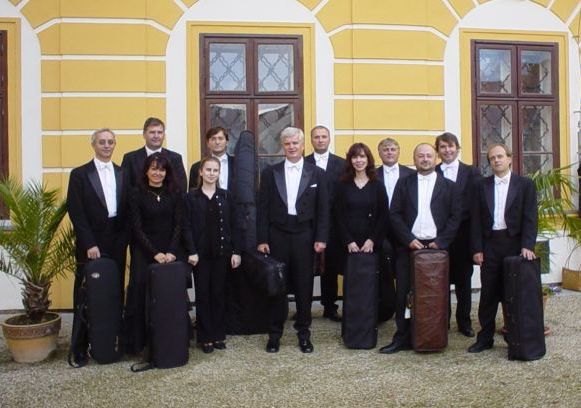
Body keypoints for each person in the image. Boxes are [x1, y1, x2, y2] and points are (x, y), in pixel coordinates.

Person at [379, 143, 461, 354]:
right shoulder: (403, 184)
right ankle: (403, 336)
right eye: (420, 156)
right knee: (404, 294)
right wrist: (408, 239)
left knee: (437, 294)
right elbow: (394, 214)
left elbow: (455, 217)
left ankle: (435, 335)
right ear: (414, 159)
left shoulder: (450, 186)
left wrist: (442, 241)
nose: (424, 159)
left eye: (428, 156)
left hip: (437, 248)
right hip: (409, 247)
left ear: (436, 158)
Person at [257, 127, 329, 353]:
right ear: (283, 146)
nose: (291, 147)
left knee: (304, 286)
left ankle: (304, 334)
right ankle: (275, 334)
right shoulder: (270, 172)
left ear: (302, 145)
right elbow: (263, 209)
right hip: (277, 234)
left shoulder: (316, 173)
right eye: (287, 143)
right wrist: (262, 239)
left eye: (295, 143)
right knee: (277, 286)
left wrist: (321, 238)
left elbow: (323, 209)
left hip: (305, 235)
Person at [67, 128, 129, 363]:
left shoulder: (123, 173)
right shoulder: (80, 174)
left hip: (116, 241)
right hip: (90, 241)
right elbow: (76, 212)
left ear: (115, 145)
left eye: (110, 142)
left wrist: (123, 241)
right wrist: (89, 243)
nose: (106, 145)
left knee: (114, 294)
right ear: (93, 144)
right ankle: (80, 347)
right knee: (84, 296)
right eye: (101, 142)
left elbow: (126, 210)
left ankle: (110, 343)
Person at [468, 143, 537, 353]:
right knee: (488, 293)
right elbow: (476, 220)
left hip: (514, 244)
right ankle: (485, 338)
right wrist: (477, 249)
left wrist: (527, 245)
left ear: (509, 158)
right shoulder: (481, 185)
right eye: (492, 158)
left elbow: (530, 218)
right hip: (490, 244)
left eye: (499, 156)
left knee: (513, 293)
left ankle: (514, 338)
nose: (496, 161)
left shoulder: (525, 185)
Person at [124, 153, 187, 355]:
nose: (157, 173)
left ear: (166, 172)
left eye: (161, 169)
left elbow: (179, 224)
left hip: (170, 252)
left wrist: (170, 251)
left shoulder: (175, 193)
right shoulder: (136, 193)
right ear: (146, 171)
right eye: (153, 169)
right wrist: (155, 253)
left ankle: (168, 340)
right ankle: (141, 343)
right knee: (142, 295)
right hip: (144, 252)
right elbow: (136, 228)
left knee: (167, 296)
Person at [184, 157, 242, 354]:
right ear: (200, 172)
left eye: (215, 170)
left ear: (219, 174)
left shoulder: (226, 197)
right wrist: (191, 251)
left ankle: (218, 334)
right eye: (208, 169)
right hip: (200, 255)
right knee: (203, 295)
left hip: (222, 253)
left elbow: (234, 225)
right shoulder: (191, 198)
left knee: (218, 294)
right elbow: (186, 227)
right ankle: (205, 336)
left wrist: (236, 251)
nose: (211, 173)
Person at [435, 132, 481, 337]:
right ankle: (441, 321)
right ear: (438, 151)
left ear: (457, 148)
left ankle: (464, 322)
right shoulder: (432, 171)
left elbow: (476, 207)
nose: (447, 150)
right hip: (439, 236)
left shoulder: (472, 173)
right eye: (443, 147)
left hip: (463, 235)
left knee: (464, 281)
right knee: (439, 280)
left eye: (450, 146)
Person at [305, 125, 345, 322]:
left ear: (329, 139)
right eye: (316, 137)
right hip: (309, 223)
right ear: (311, 141)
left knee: (331, 266)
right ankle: (304, 306)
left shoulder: (342, 164)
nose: (320, 140)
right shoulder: (303, 163)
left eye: (323, 137)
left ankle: (330, 306)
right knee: (305, 266)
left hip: (335, 225)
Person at [376, 138, 415, 321]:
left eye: (392, 149)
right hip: (381, 229)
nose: (389, 152)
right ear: (380, 153)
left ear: (399, 152)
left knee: (404, 272)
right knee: (383, 269)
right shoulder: (372, 175)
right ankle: (385, 308)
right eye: (385, 150)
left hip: (404, 230)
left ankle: (405, 311)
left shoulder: (410, 175)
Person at [121, 117, 187, 192]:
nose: (156, 136)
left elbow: (182, 187)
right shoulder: (130, 159)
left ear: (164, 135)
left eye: (159, 132)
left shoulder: (175, 158)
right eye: (152, 132)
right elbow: (125, 187)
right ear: (144, 134)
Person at [189, 127, 234, 191]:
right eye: (213, 139)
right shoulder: (197, 167)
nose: (217, 142)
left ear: (227, 142)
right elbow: (192, 194)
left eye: (220, 138)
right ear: (208, 143)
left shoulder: (237, 164)